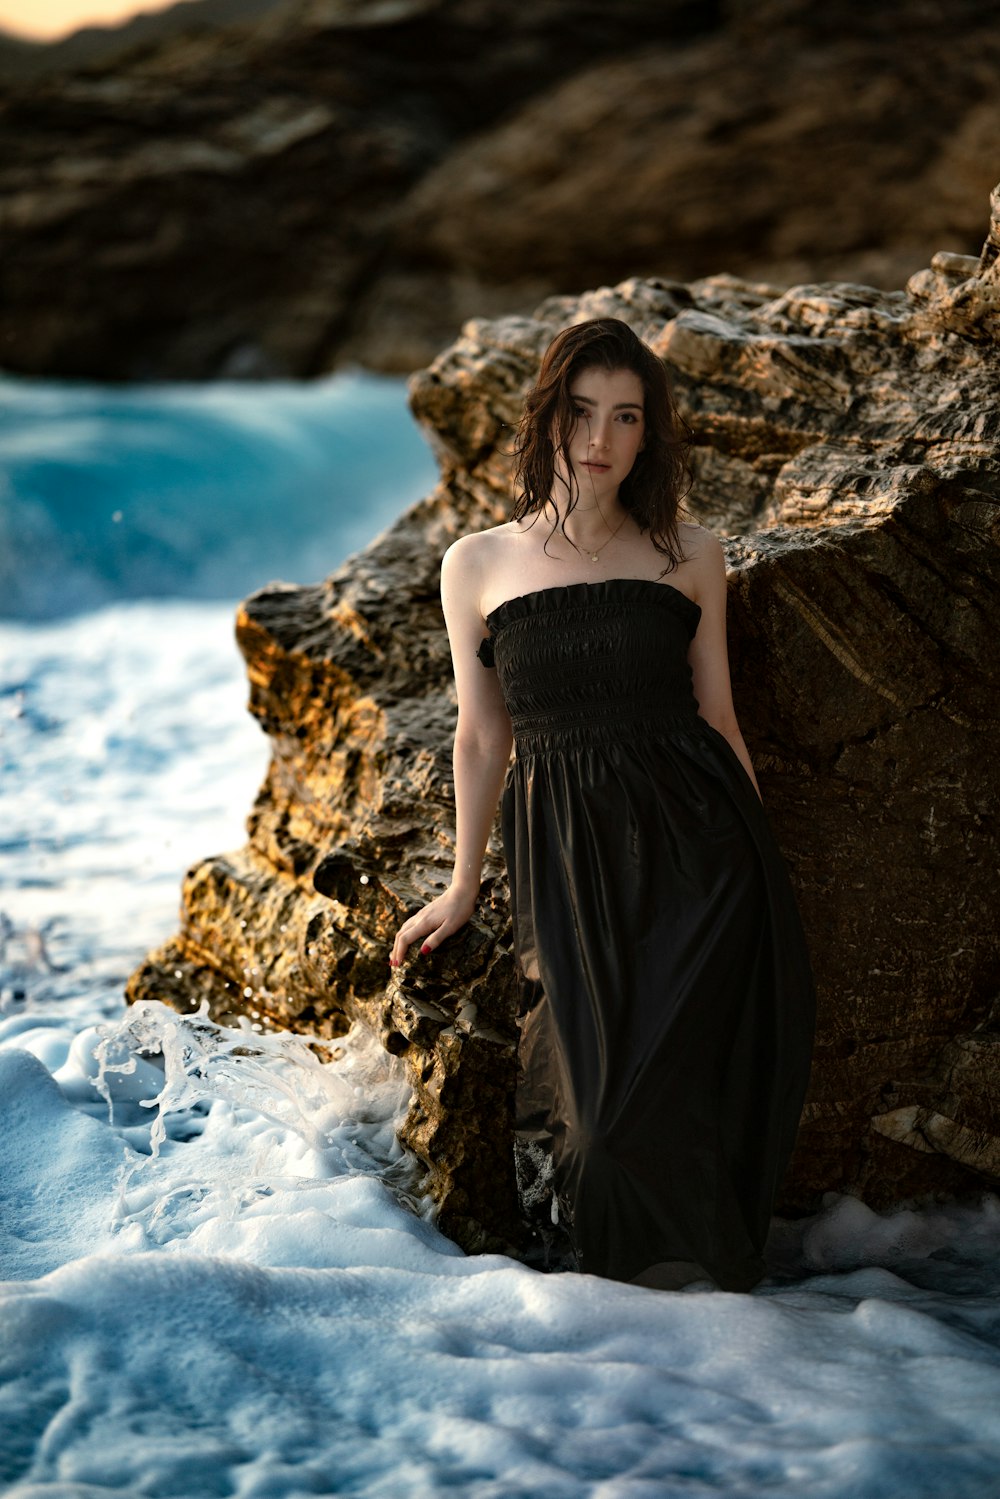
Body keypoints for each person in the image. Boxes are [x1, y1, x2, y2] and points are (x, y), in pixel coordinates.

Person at [389, 317, 815, 1292]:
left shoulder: (688, 552)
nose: (601, 436)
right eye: (582, 411)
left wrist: (767, 872)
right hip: (565, 855)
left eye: (627, 415)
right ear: (548, 418)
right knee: (598, 1126)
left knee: (670, 1103)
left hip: (701, 851)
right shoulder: (477, 562)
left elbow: (719, 716)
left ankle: (696, 1342)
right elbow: (482, 733)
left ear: (648, 434)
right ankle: (619, 1347)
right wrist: (460, 888)